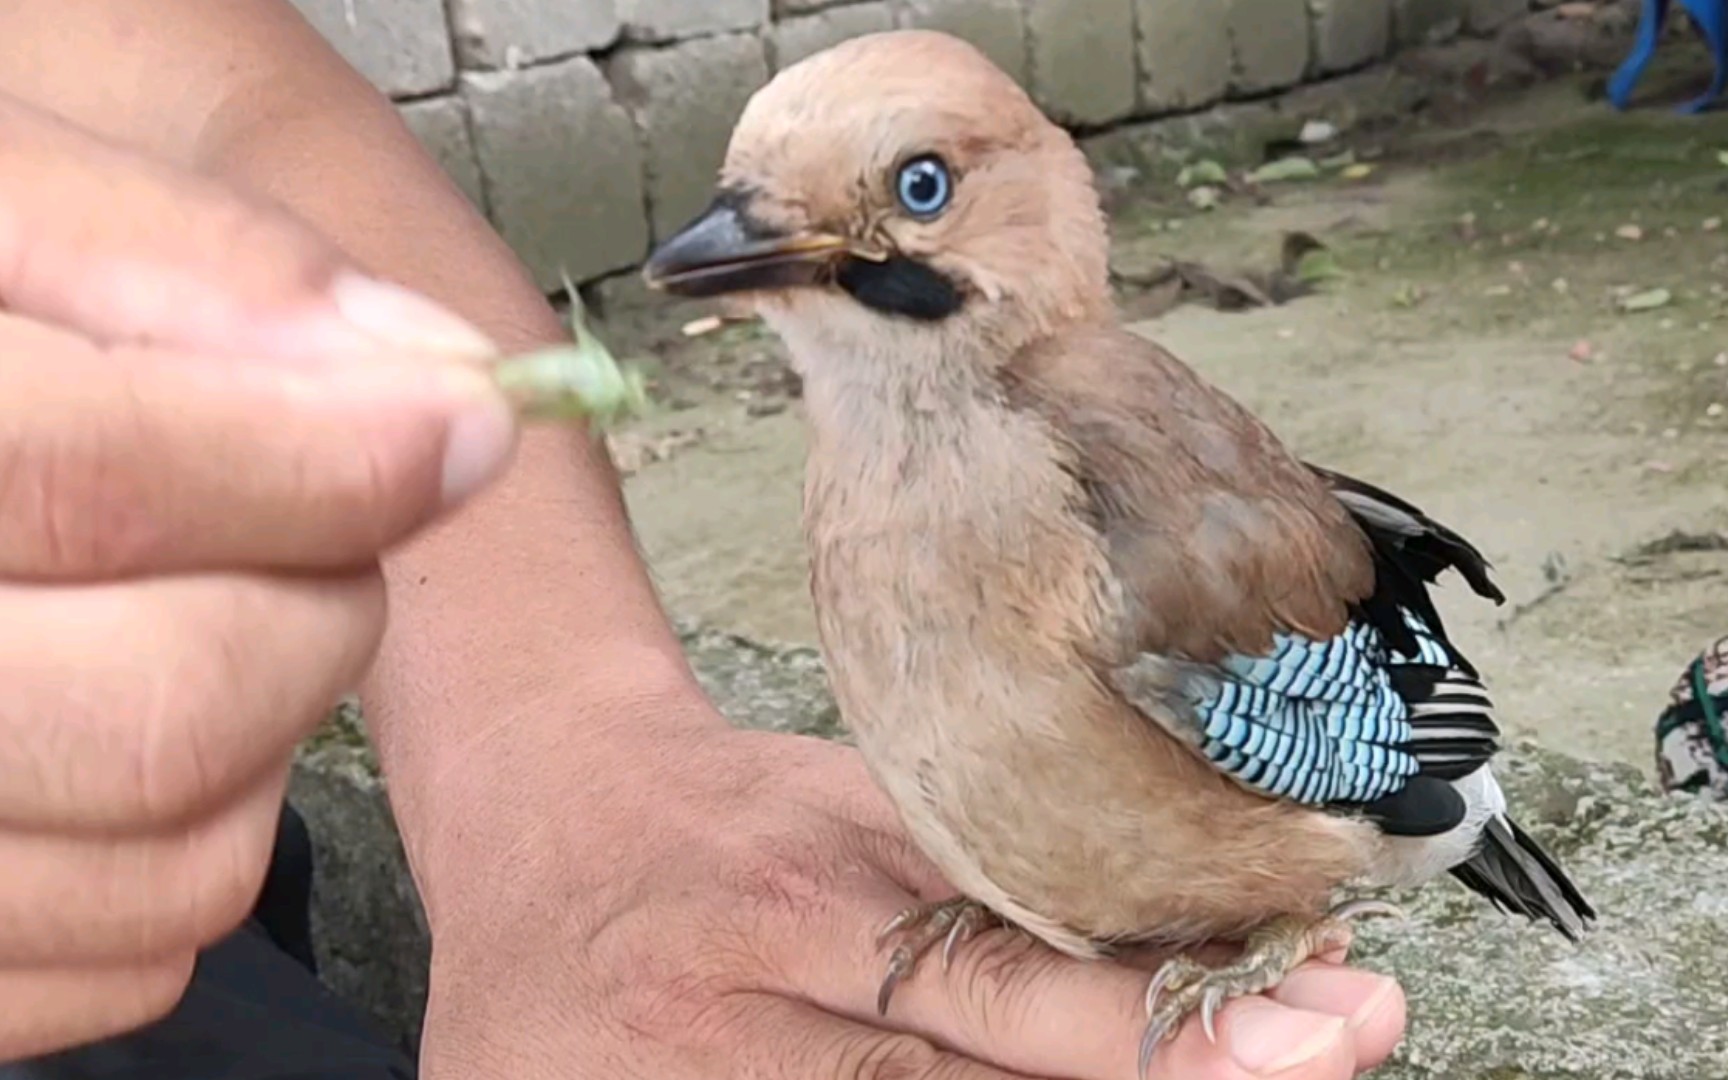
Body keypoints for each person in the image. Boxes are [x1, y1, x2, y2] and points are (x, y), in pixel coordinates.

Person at [0, 3, 1407, 1078]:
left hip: (159, 950)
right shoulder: (870, 473)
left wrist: (548, 766)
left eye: (915, 191)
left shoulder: (1131, 502)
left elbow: (205, 86)